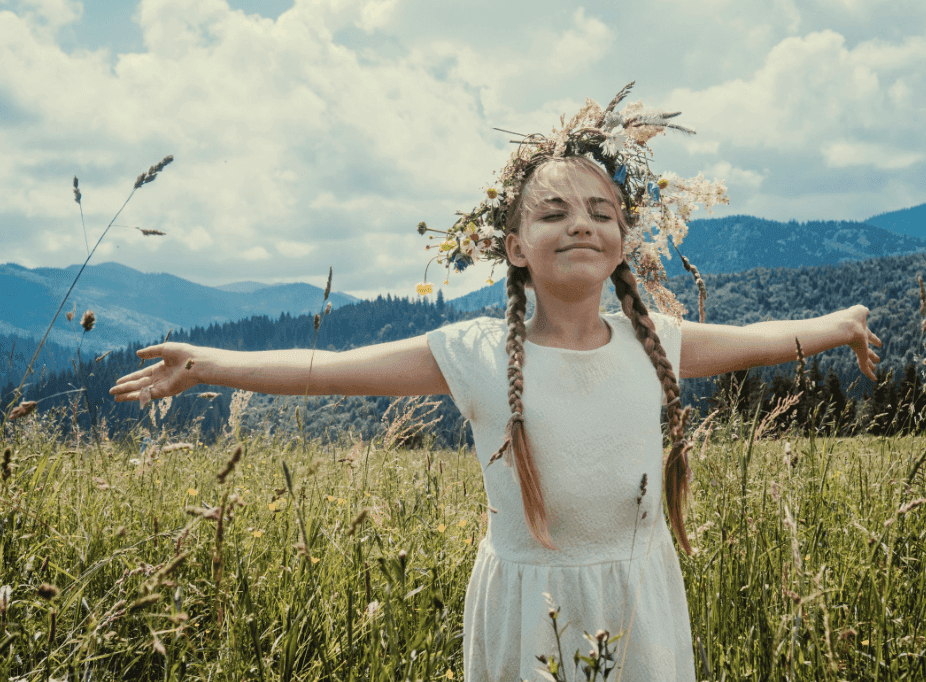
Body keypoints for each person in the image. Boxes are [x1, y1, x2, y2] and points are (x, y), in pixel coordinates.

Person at [110, 85, 882, 681]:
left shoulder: (661, 343)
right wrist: (208, 365)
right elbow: (330, 371)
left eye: (599, 211)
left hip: (640, 599)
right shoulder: (475, 352)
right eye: (553, 213)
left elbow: (762, 343)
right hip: (528, 604)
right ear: (515, 246)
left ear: (623, 241)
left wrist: (842, 323)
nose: (579, 223)